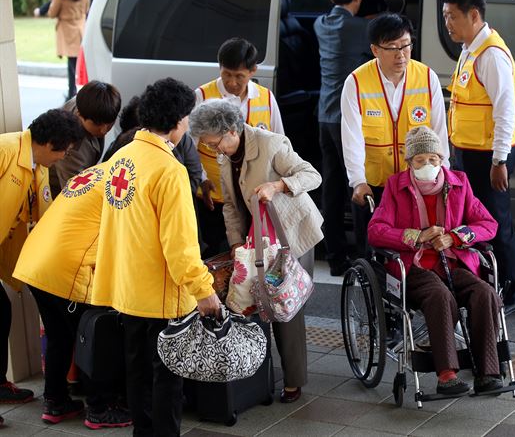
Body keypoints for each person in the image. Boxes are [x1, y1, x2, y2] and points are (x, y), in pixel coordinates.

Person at [90, 78, 221, 435]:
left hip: (127, 290)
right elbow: (180, 245)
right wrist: (204, 290)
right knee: (166, 383)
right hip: (162, 296)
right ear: (178, 120)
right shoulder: (170, 170)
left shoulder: (122, 157)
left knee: (137, 376)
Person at [189, 99, 323, 404]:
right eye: (209, 146)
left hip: (290, 236)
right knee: (250, 305)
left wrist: (277, 185)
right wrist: (235, 244)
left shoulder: (271, 143)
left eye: (215, 143)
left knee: (285, 308)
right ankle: (259, 377)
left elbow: (312, 175)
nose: (215, 151)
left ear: (232, 131)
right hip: (253, 244)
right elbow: (231, 209)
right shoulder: (226, 157)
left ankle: (294, 379)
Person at [368, 126, 503, 394]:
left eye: (433, 159)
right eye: (420, 160)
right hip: (414, 266)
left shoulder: (459, 183)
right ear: (409, 162)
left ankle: (487, 372)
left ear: (442, 159)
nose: (427, 165)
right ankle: (446, 375)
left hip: (453, 263)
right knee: (440, 296)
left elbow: (488, 223)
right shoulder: (396, 186)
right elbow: (375, 231)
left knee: (485, 293)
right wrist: (417, 236)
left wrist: (455, 237)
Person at [13, 163, 131, 429]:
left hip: (35, 261)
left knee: (59, 337)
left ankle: (56, 401)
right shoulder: (122, 181)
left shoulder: (94, 172)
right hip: (67, 268)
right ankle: (100, 408)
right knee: (95, 338)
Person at [440, 0, 515, 314]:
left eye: (453, 16)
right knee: (476, 223)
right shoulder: (469, 49)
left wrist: (499, 160)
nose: (448, 23)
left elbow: (506, 111)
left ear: (474, 15)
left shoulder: (491, 55)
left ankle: (513, 291)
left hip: (489, 155)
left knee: (496, 223)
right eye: (445, 16)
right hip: (468, 152)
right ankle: (488, 283)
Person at [341, 13, 448, 257]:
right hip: (374, 184)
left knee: (415, 249)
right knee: (373, 250)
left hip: (417, 182)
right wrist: (358, 180)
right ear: (375, 50)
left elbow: (439, 130)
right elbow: (352, 137)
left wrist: (444, 175)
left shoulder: (427, 77)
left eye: (406, 45)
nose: (401, 54)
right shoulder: (356, 82)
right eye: (392, 48)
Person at [0, 109, 84, 406]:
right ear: (51, 144)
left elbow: (43, 215)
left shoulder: (37, 167)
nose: (64, 158)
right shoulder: (6, 149)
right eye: (65, 151)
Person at [194, 37, 285, 256]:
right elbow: (189, 148)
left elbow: (279, 141)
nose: (232, 82)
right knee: (214, 253)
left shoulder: (266, 98)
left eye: (239, 76)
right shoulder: (203, 96)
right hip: (213, 197)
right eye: (226, 74)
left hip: (254, 198)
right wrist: (202, 179)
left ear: (253, 71)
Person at [314, 0, 371, 276]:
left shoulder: (320, 24)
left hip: (325, 114)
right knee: (359, 183)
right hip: (348, 118)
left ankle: (335, 256)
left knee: (332, 188)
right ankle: (364, 257)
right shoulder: (361, 28)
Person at [49, 80, 122, 198]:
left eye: (109, 124)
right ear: (79, 115)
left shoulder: (89, 104)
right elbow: (74, 194)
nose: (104, 131)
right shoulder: (69, 148)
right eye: (97, 124)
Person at [47, 0, 90, 100]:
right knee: (77, 64)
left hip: (67, 32)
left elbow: (52, 13)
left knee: (72, 66)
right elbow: (86, 8)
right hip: (80, 30)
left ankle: (73, 95)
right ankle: (74, 92)